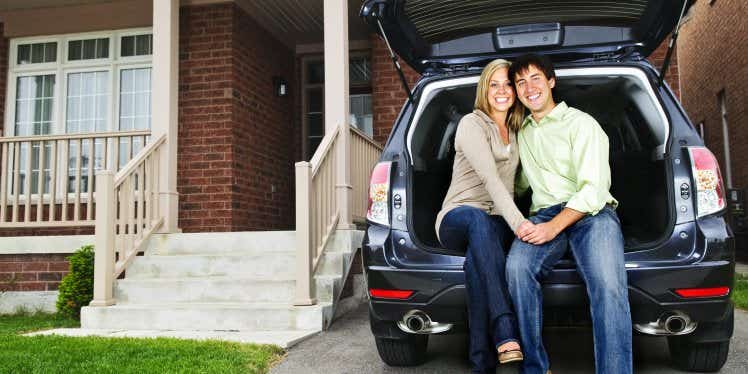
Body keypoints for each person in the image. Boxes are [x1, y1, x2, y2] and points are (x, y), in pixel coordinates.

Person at [505, 53, 632, 374]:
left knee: (608, 284)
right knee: (517, 269)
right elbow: (517, 185)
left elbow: (594, 188)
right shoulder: (521, 133)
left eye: (536, 78)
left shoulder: (582, 124)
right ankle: (535, 367)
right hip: (543, 213)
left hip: (592, 213)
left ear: (551, 82)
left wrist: (552, 228)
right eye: (520, 82)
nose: (528, 87)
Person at [435, 58, 535, 373]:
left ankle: (482, 364)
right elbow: (491, 180)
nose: (502, 91)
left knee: (476, 265)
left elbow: (522, 180)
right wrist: (521, 225)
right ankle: (505, 329)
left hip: (495, 222)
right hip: (458, 216)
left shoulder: (520, 129)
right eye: (494, 84)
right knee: (479, 223)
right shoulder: (471, 124)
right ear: (484, 89)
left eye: (508, 84)